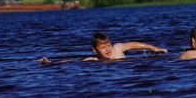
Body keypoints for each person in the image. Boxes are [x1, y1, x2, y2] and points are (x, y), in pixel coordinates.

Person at [37, 32, 166, 64]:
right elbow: (71, 62)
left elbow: (135, 45)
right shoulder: (94, 60)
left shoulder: (117, 48)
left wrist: (154, 48)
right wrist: (51, 63)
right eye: (103, 48)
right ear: (95, 50)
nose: (108, 50)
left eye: (108, 45)